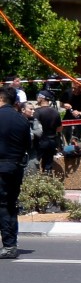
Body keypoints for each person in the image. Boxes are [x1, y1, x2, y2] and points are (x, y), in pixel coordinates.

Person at [0, 87, 29, 258]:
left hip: (2, 167)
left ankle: (9, 245)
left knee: (3, 206)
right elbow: (28, 145)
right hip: (16, 167)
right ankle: (12, 243)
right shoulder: (22, 119)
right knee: (10, 205)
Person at [30, 91, 64, 176]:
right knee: (48, 166)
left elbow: (34, 127)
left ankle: (33, 183)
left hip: (40, 142)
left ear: (42, 98)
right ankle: (47, 183)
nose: (37, 98)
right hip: (52, 141)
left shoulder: (36, 112)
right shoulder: (55, 112)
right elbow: (59, 128)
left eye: (38, 97)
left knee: (34, 163)